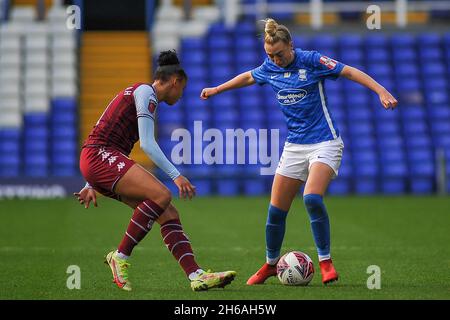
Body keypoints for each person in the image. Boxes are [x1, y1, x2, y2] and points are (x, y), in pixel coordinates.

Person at [200, 18, 398, 285]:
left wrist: (380, 91)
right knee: (275, 212)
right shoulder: (269, 67)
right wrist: (216, 89)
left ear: (291, 45)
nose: (275, 60)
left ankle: (325, 261)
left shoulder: (312, 61)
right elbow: (248, 76)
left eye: (279, 54)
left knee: (312, 198)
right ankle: (270, 265)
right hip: (294, 146)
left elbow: (349, 72)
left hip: (325, 142)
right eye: (270, 55)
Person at [74, 50, 236, 292]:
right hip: (100, 156)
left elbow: (103, 129)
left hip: (99, 159)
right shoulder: (146, 94)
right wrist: (177, 176)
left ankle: (196, 275)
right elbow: (147, 144)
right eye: (182, 89)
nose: (181, 96)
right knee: (162, 195)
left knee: (168, 214)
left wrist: (90, 182)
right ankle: (120, 256)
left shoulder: (140, 93)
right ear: (175, 81)